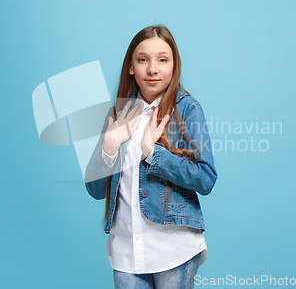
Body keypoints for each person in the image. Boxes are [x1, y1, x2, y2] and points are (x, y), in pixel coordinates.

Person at [84, 25, 218, 289]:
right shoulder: (118, 113)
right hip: (126, 250)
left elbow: (206, 179)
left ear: (173, 66)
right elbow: (95, 190)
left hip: (173, 248)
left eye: (162, 60)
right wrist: (110, 145)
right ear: (131, 67)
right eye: (143, 59)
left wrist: (152, 153)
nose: (153, 69)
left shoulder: (188, 110)